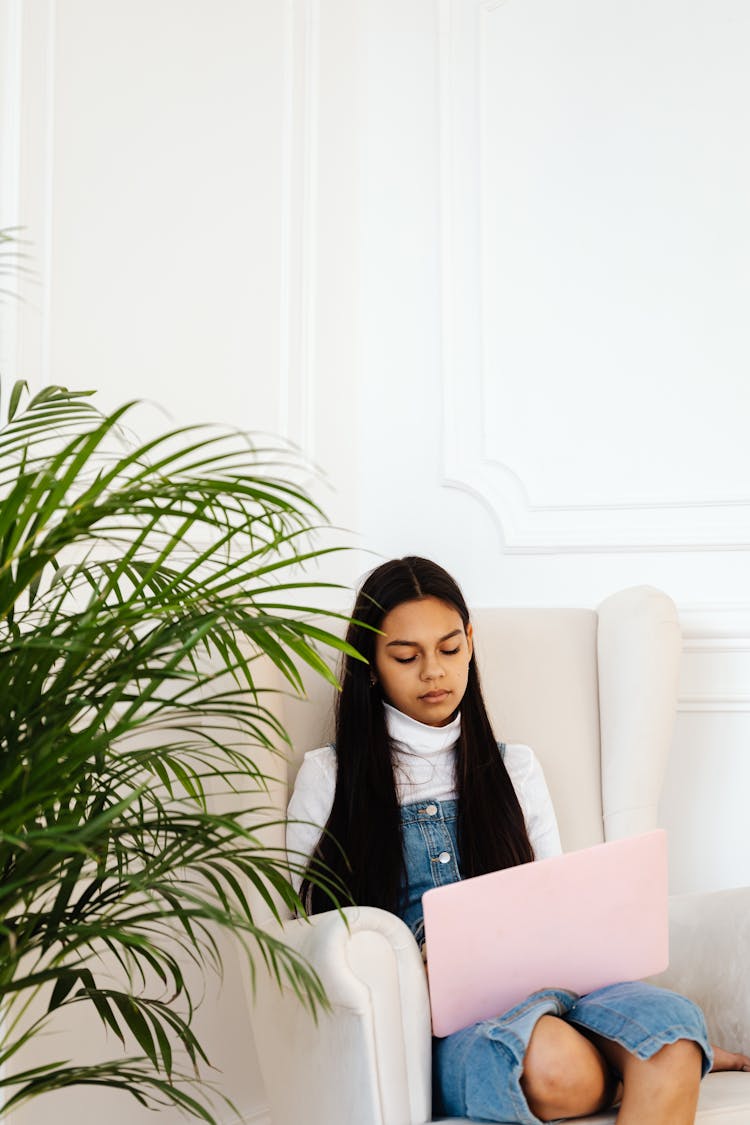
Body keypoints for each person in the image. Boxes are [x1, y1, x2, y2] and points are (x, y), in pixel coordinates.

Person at [287, 556, 750, 1124]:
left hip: (558, 987)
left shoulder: (515, 769)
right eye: (407, 657)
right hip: (450, 1025)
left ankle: (671, 1060)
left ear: (471, 642)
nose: (434, 671)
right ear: (370, 664)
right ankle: (651, 1070)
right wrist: (413, 964)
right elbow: (311, 930)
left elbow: (555, 896)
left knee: (672, 1034)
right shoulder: (330, 778)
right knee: (568, 1073)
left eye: (450, 649)